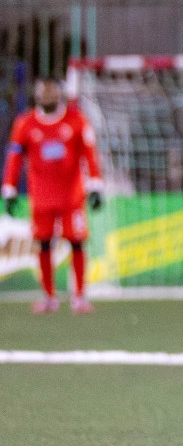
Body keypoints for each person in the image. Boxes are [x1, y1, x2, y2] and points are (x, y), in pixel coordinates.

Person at [2, 76, 103, 314]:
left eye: (51, 92)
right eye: (42, 93)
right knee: (43, 244)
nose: (47, 97)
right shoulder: (25, 124)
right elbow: (14, 158)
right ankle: (49, 297)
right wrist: (9, 188)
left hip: (72, 197)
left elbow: (90, 154)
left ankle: (79, 296)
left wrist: (95, 185)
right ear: (36, 96)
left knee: (77, 242)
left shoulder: (76, 120)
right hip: (42, 198)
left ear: (60, 94)